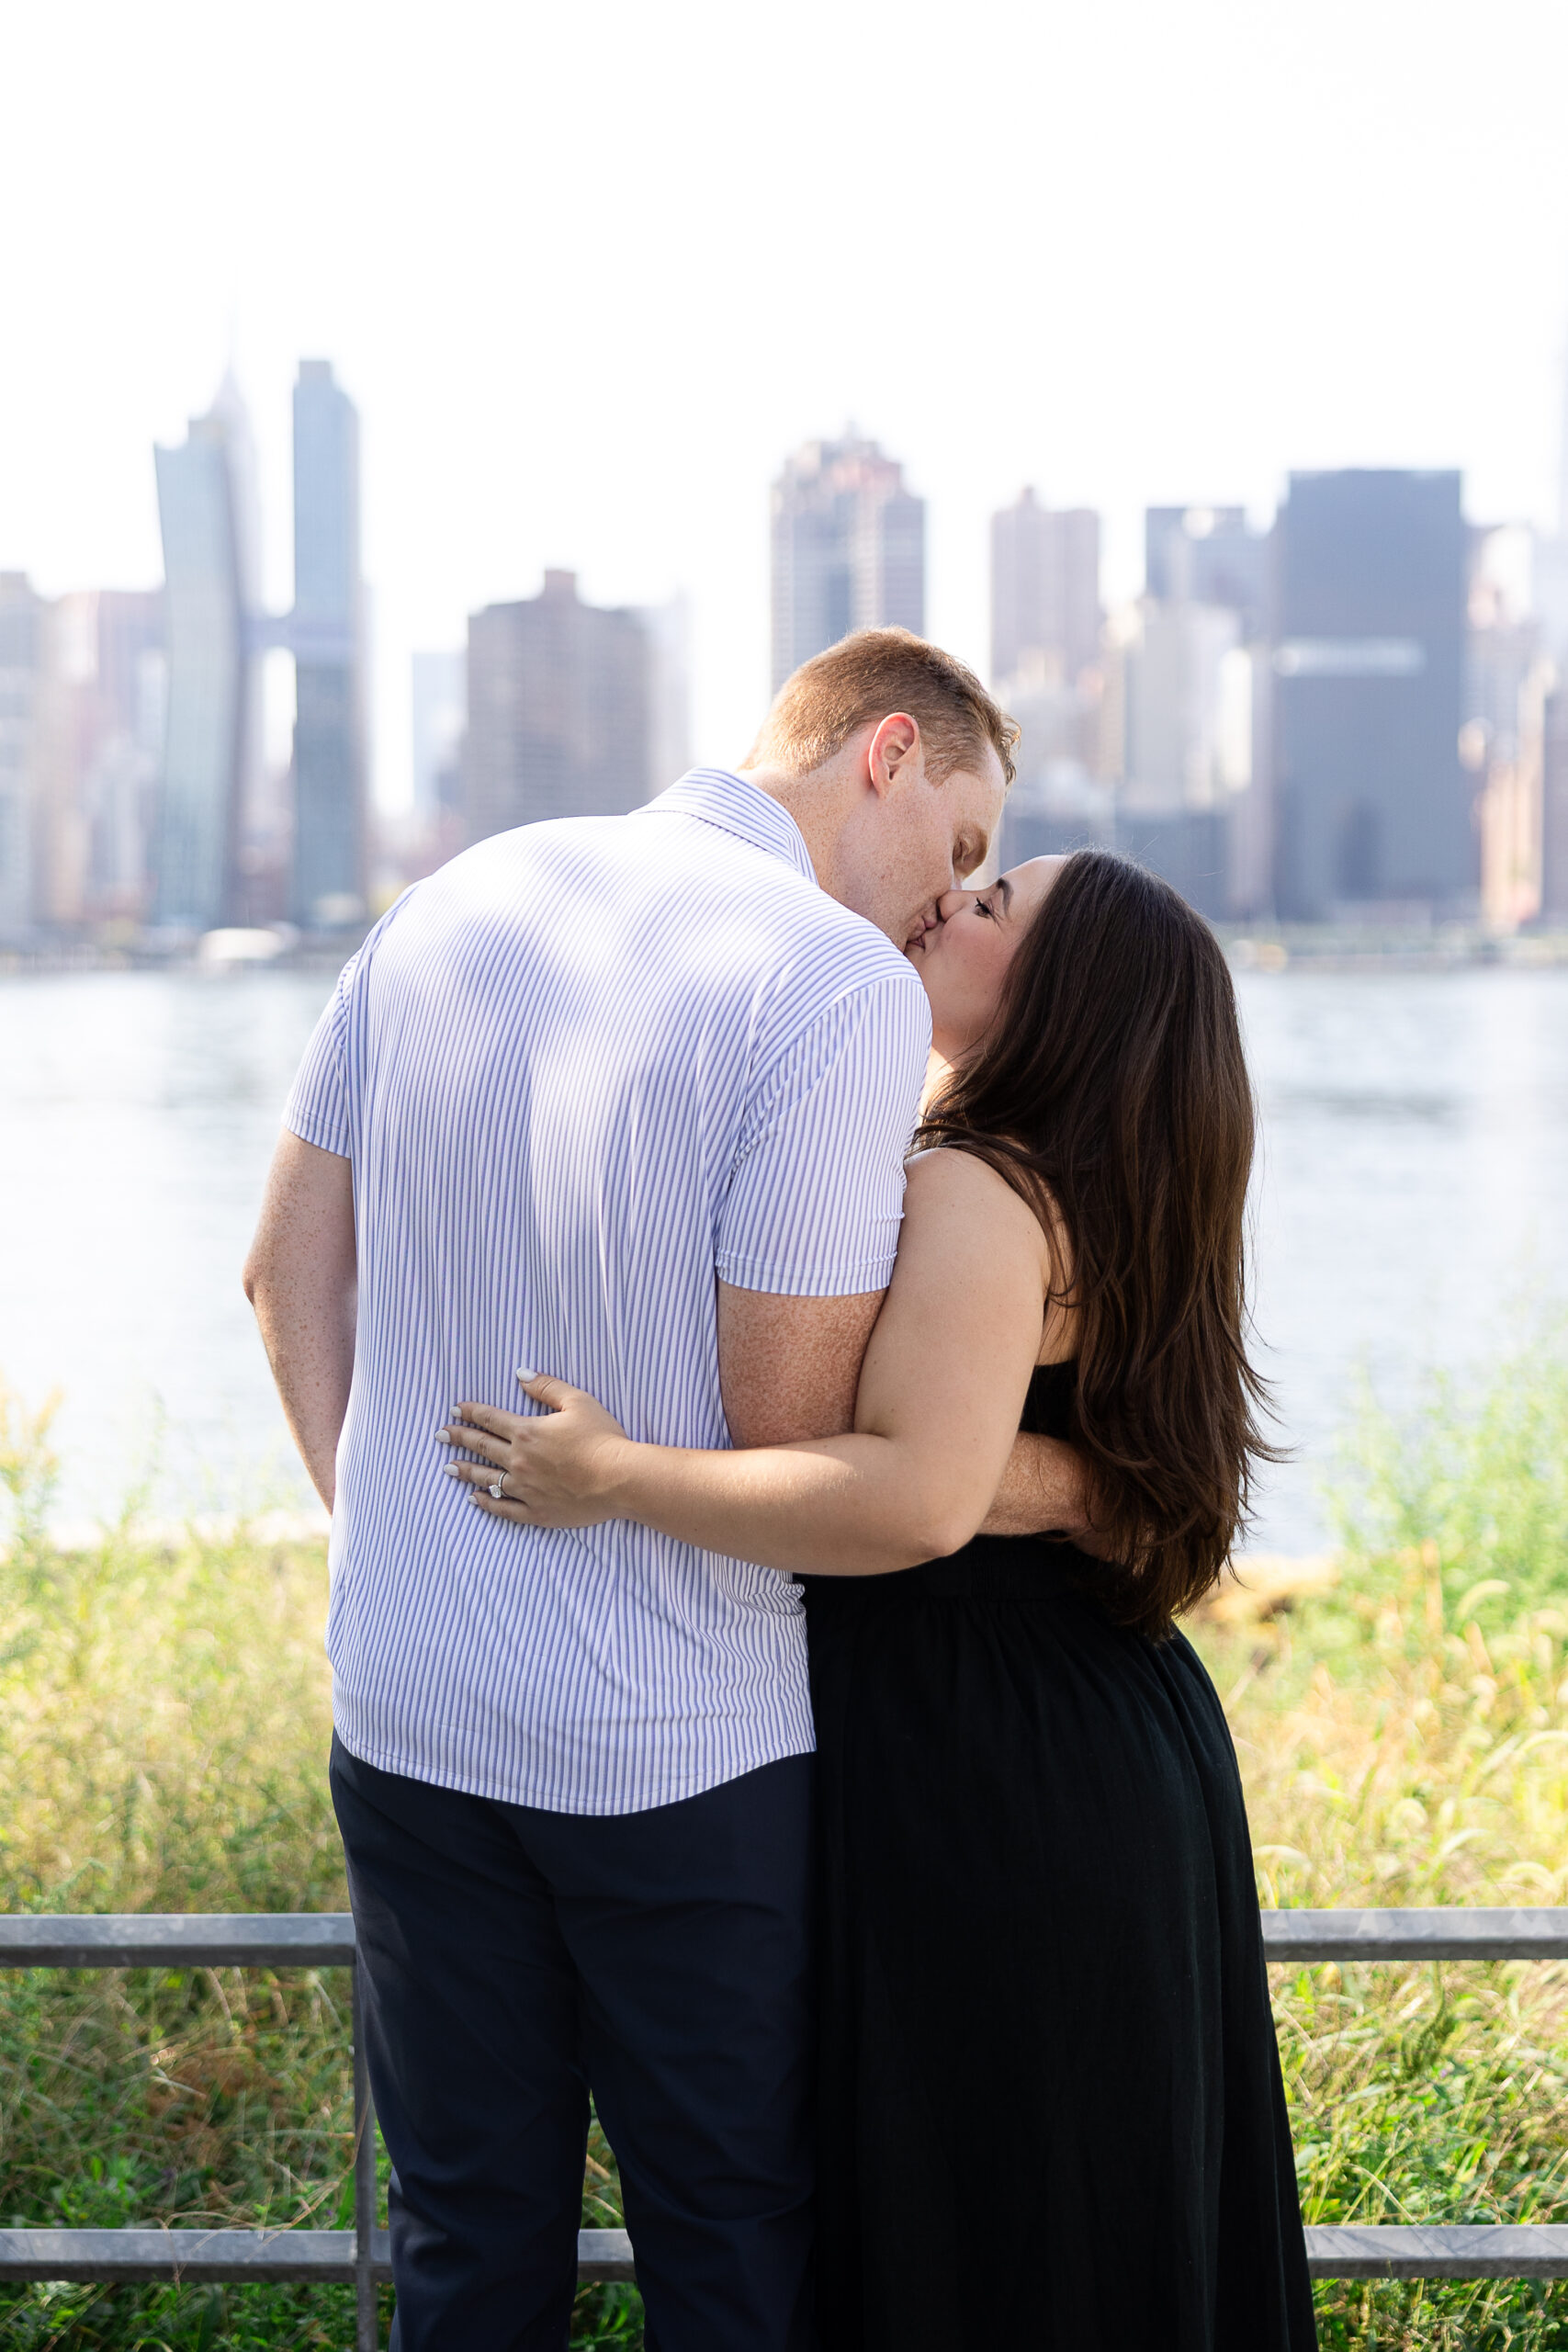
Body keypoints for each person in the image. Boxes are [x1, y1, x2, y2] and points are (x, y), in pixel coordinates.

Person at [243, 628, 1098, 2352]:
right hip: (675, 1739)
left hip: (403, 1704)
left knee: (464, 2237)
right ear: (885, 753)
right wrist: (1081, 1476)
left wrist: (391, 1544)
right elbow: (793, 1424)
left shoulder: (456, 896)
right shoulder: (833, 982)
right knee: (727, 2237)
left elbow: (280, 1272)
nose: (948, 900)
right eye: (959, 845)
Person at [441, 849, 1319, 2351]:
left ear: (1065, 993)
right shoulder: (1116, 1178)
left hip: (980, 1747)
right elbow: (1145, 1474)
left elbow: (915, 1499)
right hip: (1108, 1728)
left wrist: (616, 1474)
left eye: (995, 906)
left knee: (974, 2212)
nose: (950, 904)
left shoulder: (977, 1182)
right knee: (1088, 2210)